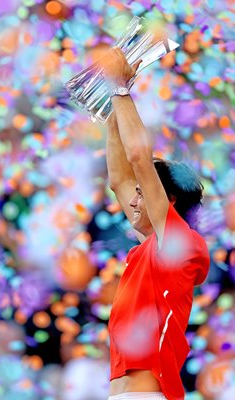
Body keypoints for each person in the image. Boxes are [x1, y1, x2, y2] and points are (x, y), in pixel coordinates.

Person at [102, 48, 210, 400]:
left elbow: (137, 158)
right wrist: (109, 110)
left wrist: (121, 89)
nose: (132, 199)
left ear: (169, 200)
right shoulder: (150, 246)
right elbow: (119, 178)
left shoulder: (179, 240)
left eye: (142, 192)